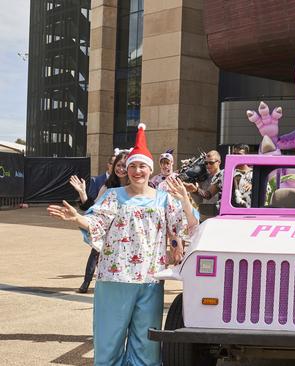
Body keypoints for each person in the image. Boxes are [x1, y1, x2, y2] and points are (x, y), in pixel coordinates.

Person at [48, 123, 197, 365]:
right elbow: (97, 221)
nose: (138, 171)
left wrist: (186, 202)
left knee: (147, 346)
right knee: (110, 339)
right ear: (126, 170)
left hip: (149, 280)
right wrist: (78, 218)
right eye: (133, 166)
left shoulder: (164, 199)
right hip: (114, 279)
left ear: (150, 170)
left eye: (142, 166)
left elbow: (187, 227)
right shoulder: (112, 197)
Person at [69, 150, 129, 293]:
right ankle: (87, 282)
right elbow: (94, 209)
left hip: (129, 234)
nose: (121, 169)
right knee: (97, 254)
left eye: (124, 166)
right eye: (118, 165)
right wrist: (83, 194)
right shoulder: (107, 186)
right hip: (109, 231)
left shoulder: (138, 188)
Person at [186, 150, 223, 219]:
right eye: (206, 163)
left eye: (211, 163)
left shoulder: (223, 176)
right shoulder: (203, 178)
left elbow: (209, 195)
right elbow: (199, 201)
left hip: (218, 218)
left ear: (219, 162)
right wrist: (193, 189)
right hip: (204, 218)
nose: (208, 165)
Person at [231, 144, 253, 208]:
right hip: (233, 211)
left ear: (246, 156)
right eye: (234, 154)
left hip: (253, 211)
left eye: (239, 154)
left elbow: (266, 190)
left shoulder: (256, 173)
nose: (235, 157)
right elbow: (209, 194)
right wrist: (199, 189)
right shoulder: (226, 172)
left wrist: (254, 186)